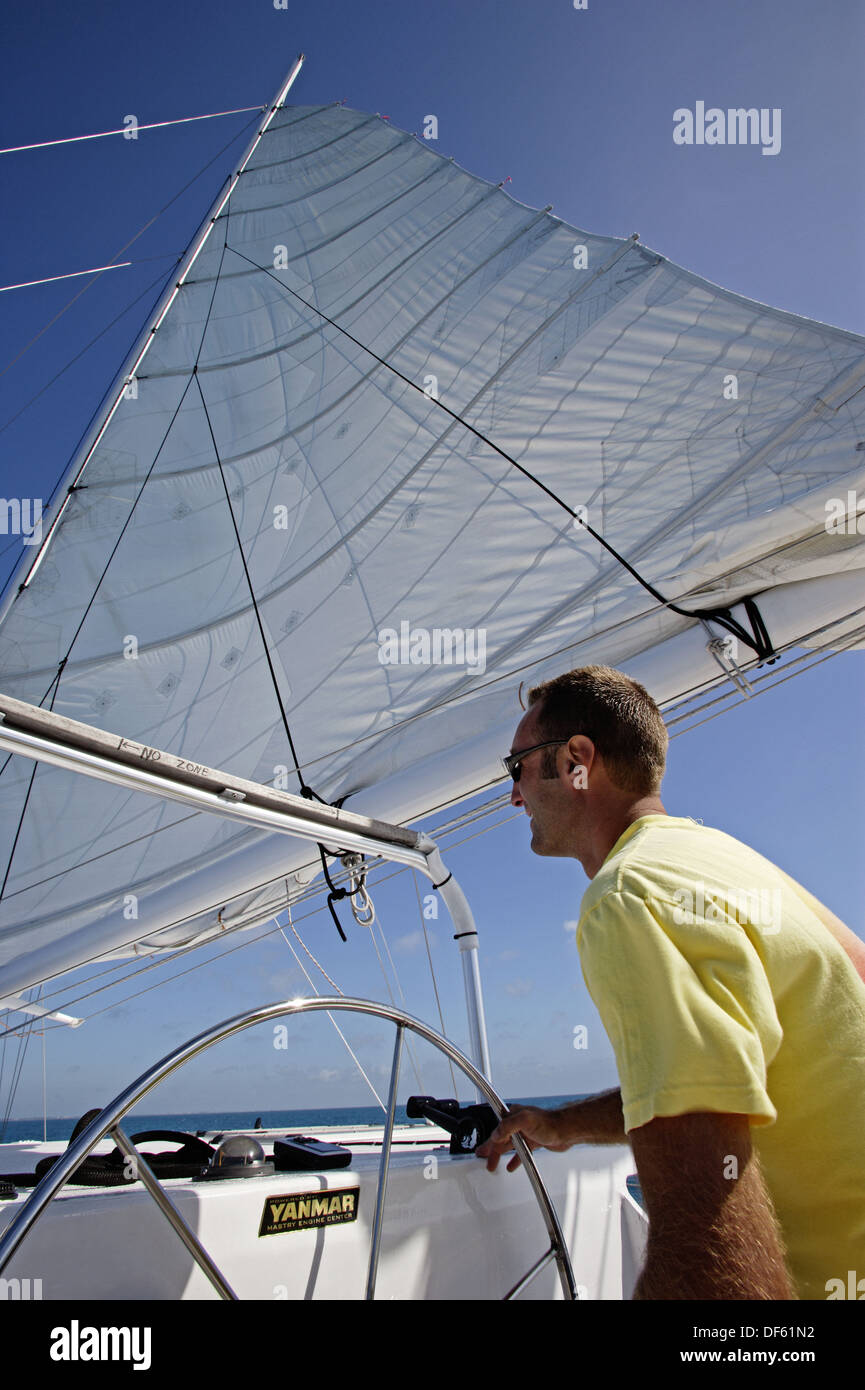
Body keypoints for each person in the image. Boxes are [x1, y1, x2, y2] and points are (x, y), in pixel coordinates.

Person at [476, 665, 865, 1300]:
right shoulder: (718, 861)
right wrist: (564, 1123)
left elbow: (716, 1251)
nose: (513, 794)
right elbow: (737, 1079)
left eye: (516, 766)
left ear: (576, 760)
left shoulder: (631, 896)